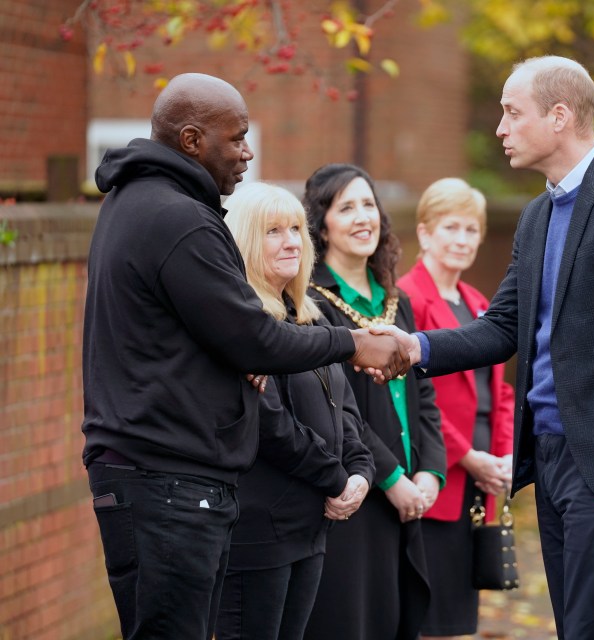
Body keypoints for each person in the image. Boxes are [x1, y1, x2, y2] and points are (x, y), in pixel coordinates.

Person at [81, 73, 408, 639]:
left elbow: (227, 338)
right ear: (190, 140)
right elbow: (254, 337)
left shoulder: (135, 205)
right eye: (235, 138)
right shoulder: (177, 219)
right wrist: (355, 342)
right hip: (167, 479)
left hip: (159, 474)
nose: (246, 152)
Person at [378, 56, 594, 638]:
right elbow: (501, 328)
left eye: (512, 113)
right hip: (545, 455)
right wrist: (414, 346)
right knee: (574, 625)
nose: (500, 128)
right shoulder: (537, 214)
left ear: (560, 117)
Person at [212, 182, 375, 640]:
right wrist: (336, 480)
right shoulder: (244, 323)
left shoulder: (312, 315)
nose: (291, 241)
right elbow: (271, 425)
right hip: (259, 533)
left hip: (311, 528)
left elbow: (346, 410)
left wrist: (360, 471)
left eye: (297, 229)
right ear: (244, 239)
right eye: (273, 231)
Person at [301, 164, 447, 640]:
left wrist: (429, 470)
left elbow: (424, 393)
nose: (363, 217)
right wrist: (391, 478)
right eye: (346, 207)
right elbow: (337, 409)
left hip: (409, 490)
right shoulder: (310, 305)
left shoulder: (395, 301)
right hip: (356, 490)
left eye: (369, 205)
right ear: (321, 224)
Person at [396, 178, 515, 639]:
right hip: (437, 475)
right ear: (424, 233)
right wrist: (467, 456)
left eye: (471, 230)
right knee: (432, 617)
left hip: (481, 483)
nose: (463, 240)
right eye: (452, 227)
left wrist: (503, 458)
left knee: (461, 619)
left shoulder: (480, 304)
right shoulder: (406, 299)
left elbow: (499, 393)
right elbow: (414, 398)